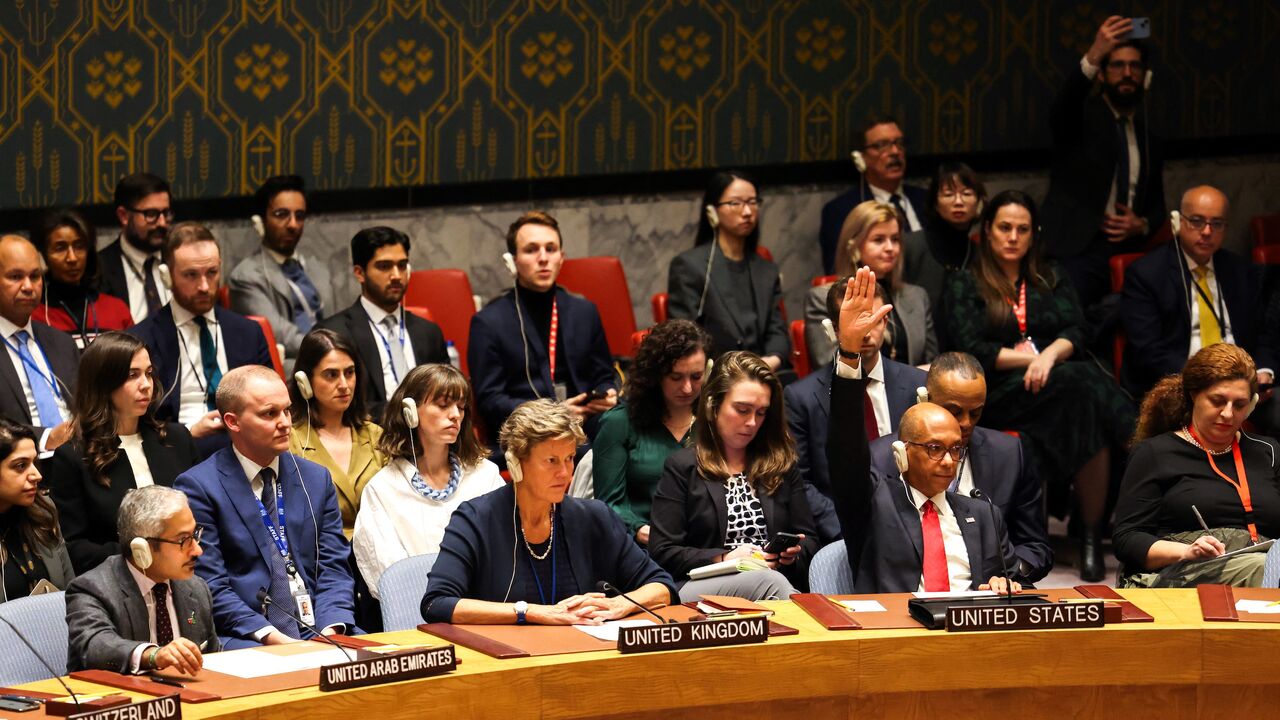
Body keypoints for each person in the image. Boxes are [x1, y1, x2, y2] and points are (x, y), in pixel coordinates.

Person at [941, 190, 1134, 581]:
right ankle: (1139, 441)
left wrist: (1048, 358)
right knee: (1081, 380)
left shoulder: (1050, 276)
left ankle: (1091, 537)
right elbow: (971, 346)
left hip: (1055, 390)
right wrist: (1035, 359)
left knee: (1086, 415)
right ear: (988, 232)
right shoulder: (965, 282)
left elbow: (1077, 330)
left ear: (1034, 234)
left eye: (1022, 229)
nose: (1013, 237)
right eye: (1005, 228)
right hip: (998, 393)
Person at [828, 267, 1021, 594]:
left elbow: (1015, 582)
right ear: (902, 454)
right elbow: (845, 450)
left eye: (955, 450)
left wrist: (1006, 585)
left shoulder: (983, 513)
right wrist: (849, 354)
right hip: (898, 633)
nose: (948, 461)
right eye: (934, 448)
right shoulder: (874, 504)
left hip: (969, 634)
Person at [421, 400, 675, 625]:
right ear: (516, 463)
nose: (565, 473)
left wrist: (620, 604)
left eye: (569, 458)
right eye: (551, 461)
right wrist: (529, 612)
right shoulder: (476, 520)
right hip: (509, 663)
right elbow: (437, 603)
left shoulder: (594, 517)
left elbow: (662, 585)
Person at [174, 366, 359, 648]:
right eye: (269, 414)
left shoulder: (315, 478)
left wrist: (331, 631)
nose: (285, 422)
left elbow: (334, 568)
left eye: (287, 410)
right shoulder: (198, 488)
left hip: (322, 629)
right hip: (248, 636)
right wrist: (281, 642)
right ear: (232, 422)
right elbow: (210, 587)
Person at [649, 351, 818, 601]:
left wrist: (790, 555)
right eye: (742, 410)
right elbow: (662, 551)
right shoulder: (683, 467)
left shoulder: (781, 464)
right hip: (702, 585)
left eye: (761, 413)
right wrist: (725, 557)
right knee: (768, 582)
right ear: (713, 406)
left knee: (770, 580)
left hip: (774, 579)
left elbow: (811, 541)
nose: (751, 422)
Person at [869, 352, 1052, 583]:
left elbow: (1036, 546)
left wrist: (1009, 574)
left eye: (975, 413)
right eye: (954, 411)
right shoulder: (882, 457)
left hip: (989, 597)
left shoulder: (1009, 454)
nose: (965, 423)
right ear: (924, 399)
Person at [1114, 344, 1280, 587]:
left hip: (1266, 562)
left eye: (1240, 404)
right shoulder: (1155, 453)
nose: (1228, 413)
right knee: (1261, 567)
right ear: (1194, 395)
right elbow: (1127, 539)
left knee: (1267, 565)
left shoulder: (1268, 451)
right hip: (1184, 570)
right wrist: (1185, 551)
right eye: (1217, 401)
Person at [47, 332, 201, 575]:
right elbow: (76, 548)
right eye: (132, 375)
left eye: (149, 373)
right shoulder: (74, 457)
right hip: (118, 580)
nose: (146, 385)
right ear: (103, 382)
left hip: (191, 574)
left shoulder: (178, 439)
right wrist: (143, 554)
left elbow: (205, 518)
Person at [787, 278, 926, 544]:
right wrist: (847, 529)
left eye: (872, 320)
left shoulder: (916, 385)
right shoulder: (800, 398)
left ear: (885, 321)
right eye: (853, 322)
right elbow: (800, 482)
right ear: (835, 330)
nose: (864, 332)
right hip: (840, 532)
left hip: (914, 527)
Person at [1042, 16, 1166, 311]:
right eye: (1117, 65)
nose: (1127, 73)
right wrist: (1094, 54)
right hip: (1079, 249)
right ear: (1102, 74)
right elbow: (1062, 107)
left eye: (1134, 66)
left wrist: (1143, 224)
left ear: (1145, 76)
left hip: (1131, 249)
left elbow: (1159, 205)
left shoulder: (1149, 136)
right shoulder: (1080, 119)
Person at [353, 364, 502, 598]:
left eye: (461, 407)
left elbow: (506, 555)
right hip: (419, 615)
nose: (455, 415)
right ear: (410, 411)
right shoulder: (382, 489)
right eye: (443, 405)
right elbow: (391, 582)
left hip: (488, 608)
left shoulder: (486, 475)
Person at [469, 212, 618, 441]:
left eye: (551, 249)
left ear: (561, 257)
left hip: (588, 424)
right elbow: (490, 401)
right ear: (512, 261)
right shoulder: (488, 322)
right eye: (531, 250)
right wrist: (552, 414)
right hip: (528, 433)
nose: (543, 258)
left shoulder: (584, 311)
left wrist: (608, 392)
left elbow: (604, 375)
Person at [128, 223, 272, 456]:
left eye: (212, 273)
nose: (204, 286)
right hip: (176, 449)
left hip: (244, 444)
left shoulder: (248, 332)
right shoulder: (141, 340)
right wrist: (188, 432)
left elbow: (271, 400)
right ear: (166, 276)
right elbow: (133, 420)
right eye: (191, 275)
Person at [1121, 185, 1275, 400]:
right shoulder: (1146, 274)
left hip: (1244, 385)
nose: (1206, 231)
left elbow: (1263, 333)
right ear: (1178, 222)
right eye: (1197, 221)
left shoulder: (1240, 270)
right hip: (1182, 387)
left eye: (1217, 224)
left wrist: (1264, 371)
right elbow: (1148, 351)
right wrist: (1207, 379)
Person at [65, 485, 219, 674]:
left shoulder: (196, 588)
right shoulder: (92, 589)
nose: (197, 550)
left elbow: (213, 662)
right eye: (183, 540)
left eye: (195, 535)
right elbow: (95, 646)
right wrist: (154, 655)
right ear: (142, 549)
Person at [593, 320, 711, 545]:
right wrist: (640, 530)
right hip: (645, 549)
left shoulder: (715, 420)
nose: (687, 388)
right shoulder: (620, 423)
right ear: (655, 375)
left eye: (696, 377)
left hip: (707, 547)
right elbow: (609, 504)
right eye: (676, 377)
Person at [316, 226, 447, 420]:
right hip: (367, 440)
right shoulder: (333, 334)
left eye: (402, 265)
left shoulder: (428, 332)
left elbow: (446, 394)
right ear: (360, 273)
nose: (396, 275)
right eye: (384, 266)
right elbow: (332, 404)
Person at [667, 171, 789, 373]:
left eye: (752, 202)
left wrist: (771, 361)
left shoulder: (766, 269)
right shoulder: (689, 267)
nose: (747, 211)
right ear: (712, 211)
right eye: (736, 203)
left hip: (765, 373)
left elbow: (777, 331)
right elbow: (686, 336)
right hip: (717, 375)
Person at [810, 201, 936, 366]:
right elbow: (828, 363)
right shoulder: (823, 297)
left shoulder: (917, 296)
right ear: (853, 245)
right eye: (879, 240)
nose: (890, 248)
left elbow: (933, 363)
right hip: (855, 389)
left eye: (895, 239)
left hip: (911, 389)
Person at [287, 329, 385, 538]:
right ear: (304, 381)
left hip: (378, 546)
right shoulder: (290, 440)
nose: (344, 385)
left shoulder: (375, 435)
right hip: (321, 555)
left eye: (349, 373)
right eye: (331, 375)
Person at [229, 175, 336, 361]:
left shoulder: (317, 268)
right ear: (261, 220)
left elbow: (337, 322)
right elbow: (279, 335)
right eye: (282, 214)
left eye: (299, 216)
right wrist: (331, 351)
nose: (293, 224)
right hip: (289, 368)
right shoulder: (246, 276)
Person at [818, 114, 930, 274]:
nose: (895, 151)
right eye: (882, 145)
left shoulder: (926, 200)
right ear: (861, 158)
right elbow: (838, 271)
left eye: (899, 143)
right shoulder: (841, 210)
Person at [0, 235, 79, 453]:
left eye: (35, 276)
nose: (28, 286)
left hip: (79, 458)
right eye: (15, 277)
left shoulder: (61, 342)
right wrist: (45, 438)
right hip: (18, 465)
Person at [30, 208, 133, 347]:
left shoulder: (116, 309)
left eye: (79, 246)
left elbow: (137, 361)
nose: (72, 258)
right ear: (43, 254)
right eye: (60, 248)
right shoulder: (33, 315)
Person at [0, 418, 73, 603]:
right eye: (20, 466)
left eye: (35, 462)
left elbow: (71, 592)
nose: (37, 475)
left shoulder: (44, 511)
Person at [899, 162, 987, 309]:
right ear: (935, 203)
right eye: (948, 194)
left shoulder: (981, 254)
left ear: (978, 202)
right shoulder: (911, 247)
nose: (958, 202)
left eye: (966, 194)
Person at [98, 173, 173, 323]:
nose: (162, 223)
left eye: (166, 213)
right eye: (151, 214)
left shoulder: (179, 258)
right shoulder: (100, 268)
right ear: (123, 216)